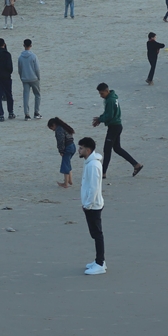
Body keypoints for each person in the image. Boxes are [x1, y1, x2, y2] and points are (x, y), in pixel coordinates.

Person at [92, 83, 143, 178]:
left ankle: (103, 173)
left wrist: (100, 119)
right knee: (117, 148)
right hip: (116, 126)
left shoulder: (110, 100)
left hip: (114, 127)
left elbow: (110, 115)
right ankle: (136, 165)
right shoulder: (112, 98)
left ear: (107, 91)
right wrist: (100, 118)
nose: (101, 96)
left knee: (107, 149)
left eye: (102, 93)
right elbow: (108, 113)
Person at [77, 137, 107, 275]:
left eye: (81, 148)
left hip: (93, 206)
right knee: (95, 234)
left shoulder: (93, 165)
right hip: (90, 204)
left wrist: (88, 205)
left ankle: (100, 263)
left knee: (97, 234)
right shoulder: (89, 163)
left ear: (88, 150)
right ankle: (99, 261)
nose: (79, 150)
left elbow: (94, 187)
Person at [47, 118, 76, 188]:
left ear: (54, 125)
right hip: (72, 146)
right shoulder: (64, 126)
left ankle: (66, 183)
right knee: (67, 163)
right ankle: (70, 180)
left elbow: (61, 141)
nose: (53, 130)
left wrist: (61, 151)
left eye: (52, 128)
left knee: (65, 165)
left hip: (67, 148)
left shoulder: (59, 130)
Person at [18, 39, 42, 120]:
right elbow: (37, 68)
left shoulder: (20, 57)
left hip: (25, 78)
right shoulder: (33, 56)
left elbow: (20, 69)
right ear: (31, 45)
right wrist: (38, 77)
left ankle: (27, 114)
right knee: (37, 95)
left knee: (26, 96)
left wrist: (21, 77)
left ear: (23, 45)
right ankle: (36, 112)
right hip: (34, 78)